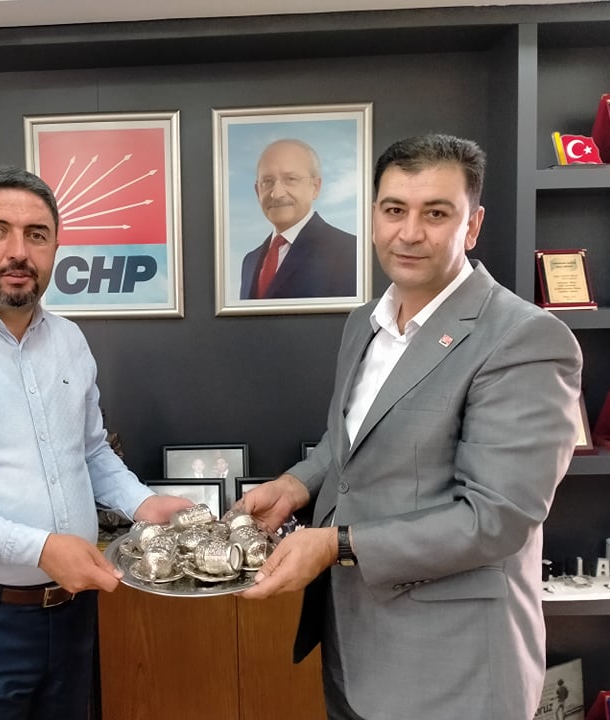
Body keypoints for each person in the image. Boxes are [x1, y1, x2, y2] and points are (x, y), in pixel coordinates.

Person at [239, 134, 583, 719]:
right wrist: (296, 485)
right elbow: (351, 443)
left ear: (472, 226)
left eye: (436, 213)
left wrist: (335, 544)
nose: (410, 232)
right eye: (395, 209)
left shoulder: (525, 339)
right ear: (374, 216)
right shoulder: (364, 323)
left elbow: (496, 518)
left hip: (453, 669)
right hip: (353, 648)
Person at [0, 166, 191, 719]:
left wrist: (143, 503)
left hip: (71, 614)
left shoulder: (70, 341)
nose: (18, 252)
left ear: (54, 248)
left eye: (37, 234)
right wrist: (41, 549)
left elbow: (91, 452)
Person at [240, 139, 358, 300]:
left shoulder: (351, 251)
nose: (277, 193)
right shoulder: (250, 261)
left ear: (316, 187)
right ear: (257, 191)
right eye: (267, 181)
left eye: (290, 179)